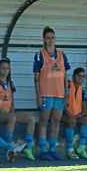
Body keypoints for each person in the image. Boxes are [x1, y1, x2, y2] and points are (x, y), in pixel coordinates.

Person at [34, 26, 71, 161]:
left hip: (59, 94)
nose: (50, 40)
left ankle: (52, 149)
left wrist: (66, 94)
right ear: (44, 39)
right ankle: (43, 150)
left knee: (56, 121)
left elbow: (65, 76)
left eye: (52, 37)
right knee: (44, 121)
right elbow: (36, 78)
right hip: (46, 94)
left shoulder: (62, 55)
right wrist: (38, 96)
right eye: (48, 38)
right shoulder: (40, 55)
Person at [0, 58, 36, 160]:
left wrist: (12, 111)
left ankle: (29, 147)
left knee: (31, 118)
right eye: (3, 68)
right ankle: (9, 149)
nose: (5, 71)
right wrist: (4, 112)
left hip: (9, 114)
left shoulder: (11, 83)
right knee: (12, 118)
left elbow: (12, 101)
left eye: (7, 68)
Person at [63, 67, 87, 159]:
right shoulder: (68, 86)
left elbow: (84, 108)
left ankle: (81, 148)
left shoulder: (83, 90)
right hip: (65, 114)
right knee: (72, 121)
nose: (81, 78)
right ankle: (70, 150)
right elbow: (63, 103)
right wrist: (70, 114)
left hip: (76, 115)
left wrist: (81, 114)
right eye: (79, 76)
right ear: (74, 76)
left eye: (84, 76)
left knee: (86, 120)